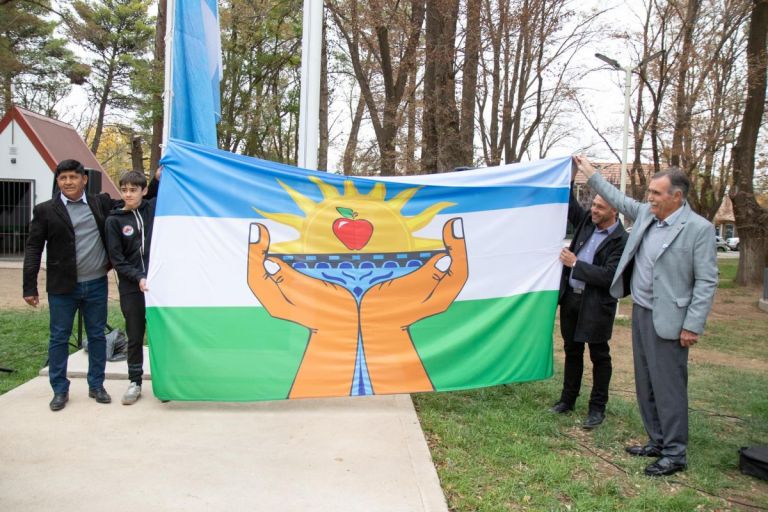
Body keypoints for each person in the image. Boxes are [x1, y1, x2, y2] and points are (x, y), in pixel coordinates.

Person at [573, 155, 718, 476]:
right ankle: (657, 440)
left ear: (676, 197)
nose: (648, 197)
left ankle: (675, 453)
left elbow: (707, 281)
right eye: (650, 192)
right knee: (645, 383)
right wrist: (592, 175)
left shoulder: (699, 229)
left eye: (656, 193)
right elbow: (619, 200)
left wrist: (693, 324)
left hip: (671, 320)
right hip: (642, 312)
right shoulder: (646, 216)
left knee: (668, 387)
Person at [23, 159, 117, 410]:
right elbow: (33, 248)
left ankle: (96, 385)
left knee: (97, 336)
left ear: (84, 179)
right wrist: (29, 286)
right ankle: (60, 390)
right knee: (59, 338)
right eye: (62, 178)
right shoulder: (45, 210)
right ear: (58, 182)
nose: (68, 182)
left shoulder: (100, 203)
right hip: (62, 287)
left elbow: (135, 201)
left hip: (96, 283)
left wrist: (158, 181)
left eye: (73, 177)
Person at [550, 169, 628, 430]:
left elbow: (610, 275)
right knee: (572, 351)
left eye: (600, 207)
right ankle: (567, 400)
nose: (593, 210)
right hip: (572, 300)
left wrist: (575, 264)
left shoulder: (621, 239)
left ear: (614, 211)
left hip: (596, 306)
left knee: (599, 356)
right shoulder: (587, 223)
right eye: (593, 205)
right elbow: (570, 206)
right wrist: (568, 178)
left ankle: (597, 408)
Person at [105, 170, 159, 405]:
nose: (128, 194)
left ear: (143, 191)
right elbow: (117, 260)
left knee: (160, 334)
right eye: (124, 189)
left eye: (133, 190)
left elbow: (170, 190)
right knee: (135, 335)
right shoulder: (114, 220)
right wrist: (138, 277)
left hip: (158, 285)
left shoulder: (152, 209)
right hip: (132, 286)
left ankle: (163, 379)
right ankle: (134, 382)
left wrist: (158, 177)